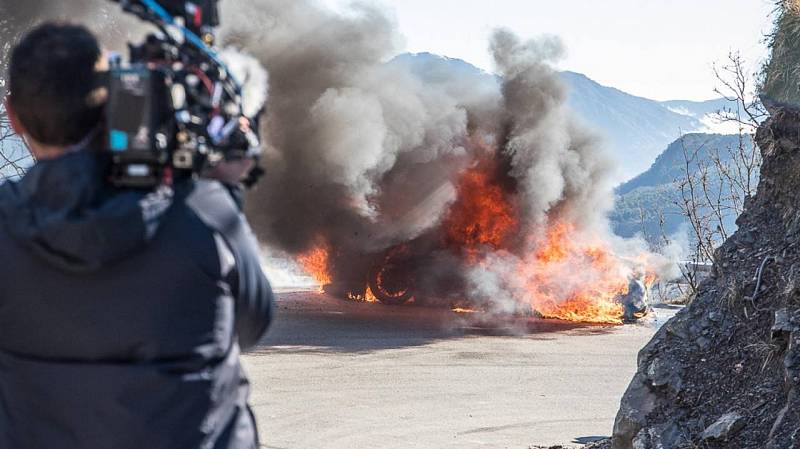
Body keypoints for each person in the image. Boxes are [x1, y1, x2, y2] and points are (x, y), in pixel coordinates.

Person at [0, 22, 274, 449]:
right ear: (106, 100)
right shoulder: (203, 208)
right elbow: (253, 325)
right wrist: (223, 192)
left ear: (12, 115)